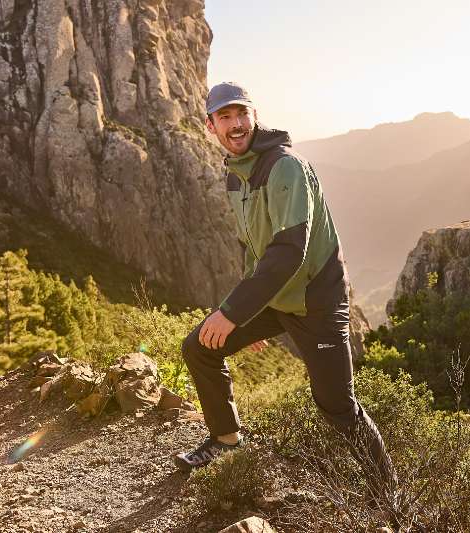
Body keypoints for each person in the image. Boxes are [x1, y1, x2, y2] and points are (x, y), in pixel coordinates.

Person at [174, 82, 398, 498]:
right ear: (210, 126)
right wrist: (250, 312)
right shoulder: (235, 178)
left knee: (338, 409)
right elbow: (253, 249)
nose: (236, 124)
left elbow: (288, 251)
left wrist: (236, 312)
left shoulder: (285, 167)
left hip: (317, 301)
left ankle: (387, 497)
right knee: (200, 347)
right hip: (274, 298)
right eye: (225, 117)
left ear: (254, 116)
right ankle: (226, 441)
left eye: (242, 114)